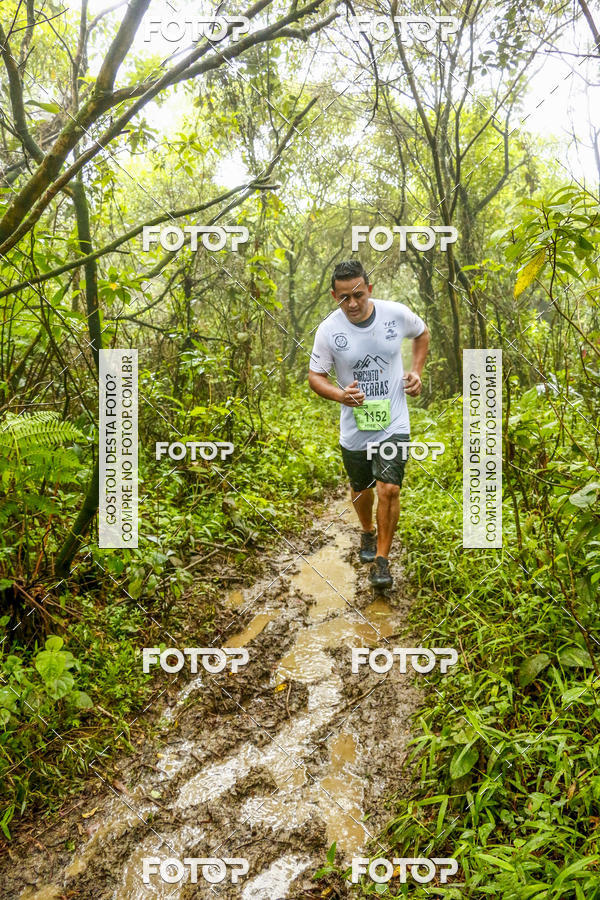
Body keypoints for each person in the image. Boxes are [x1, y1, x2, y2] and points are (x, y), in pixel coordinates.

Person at [308, 259, 430, 588]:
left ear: (369, 290)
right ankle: (367, 532)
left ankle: (382, 560)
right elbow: (315, 376)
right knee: (361, 488)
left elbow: (421, 334)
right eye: (344, 297)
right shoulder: (329, 330)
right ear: (335, 296)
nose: (353, 304)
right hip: (355, 426)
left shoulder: (395, 313)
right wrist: (339, 395)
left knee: (389, 488)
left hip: (393, 420)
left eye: (358, 295)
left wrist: (417, 371)